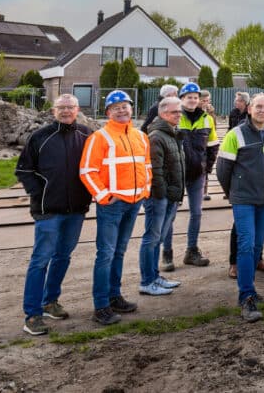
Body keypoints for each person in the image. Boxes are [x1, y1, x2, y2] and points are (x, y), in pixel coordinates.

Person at [16, 93, 93, 335]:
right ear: (53, 111)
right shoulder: (40, 137)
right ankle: (32, 314)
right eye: (62, 108)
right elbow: (23, 169)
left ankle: (50, 301)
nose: (66, 111)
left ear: (77, 109)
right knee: (41, 260)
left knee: (63, 256)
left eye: (70, 107)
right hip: (48, 210)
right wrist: (40, 194)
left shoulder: (87, 135)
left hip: (77, 209)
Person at [80, 90, 151, 326]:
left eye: (125, 106)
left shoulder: (140, 136)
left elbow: (147, 166)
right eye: (116, 107)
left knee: (119, 252)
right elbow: (87, 171)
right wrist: (103, 196)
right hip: (112, 205)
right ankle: (101, 306)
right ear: (108, 112)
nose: (122, 110)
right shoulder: (99, 137)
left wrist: (145, 191)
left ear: (131, 109)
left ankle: (114, 296)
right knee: (106, 254)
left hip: (133, 202)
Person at [216, 92, 264, 322]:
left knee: (256, 246)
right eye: (258, 106)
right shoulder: (236, 134)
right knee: (245, 244)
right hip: (243, 199)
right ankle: (246, 297)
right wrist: (233, 193)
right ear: (250, 109)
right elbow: (223, 169)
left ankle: (250, 287)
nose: (263, 110)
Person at [139, 96, 185, 297]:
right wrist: (162, 196)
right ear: (163, 113)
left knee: (157, 239)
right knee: (151, 238)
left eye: (180, 111)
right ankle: (147, 281)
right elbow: (155, 170)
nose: (179, 115)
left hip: (169, 196)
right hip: (159, 197)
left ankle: (155, 276)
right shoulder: (157, 136)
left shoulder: (171, 134)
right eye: (175, 112)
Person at [173, 82, 215, 269]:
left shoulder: (207, 119)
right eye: (188, 97)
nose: (192, 100)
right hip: (175, 175)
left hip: (197, 174)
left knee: (196, 213)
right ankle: (167, 252)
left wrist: (207, 168)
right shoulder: (174, 117)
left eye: (195, 97)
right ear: (181, 99)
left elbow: (213, 146)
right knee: (170, 215)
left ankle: (192, 250)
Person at [200, 90, 219, 201]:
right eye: (204, 100)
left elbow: (214, 127)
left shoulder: (210, 112)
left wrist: (211, 114)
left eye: (208, 100)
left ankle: (204, 192)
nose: (206, 103)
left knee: (206, 169)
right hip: (196, 146)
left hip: (208, 144)